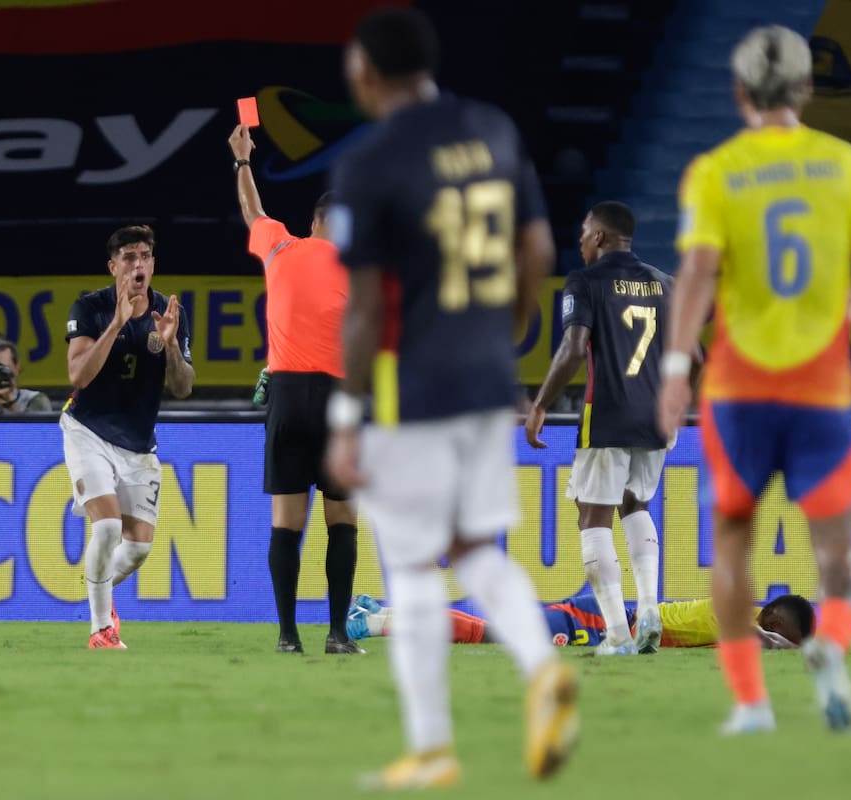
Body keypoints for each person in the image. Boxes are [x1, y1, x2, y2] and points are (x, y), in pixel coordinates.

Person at [324, 8, 578, 788]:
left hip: (413, 386)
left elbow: (364, 310)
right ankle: (541, 667)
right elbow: (537, 248)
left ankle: (432, 748)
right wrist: (504, 334)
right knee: (472, 549)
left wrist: (344, 417)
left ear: (367, 71)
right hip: (483, 379)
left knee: (409, 567)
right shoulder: (495, 130)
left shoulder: (369, 163)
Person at [660, 25, 851, 735]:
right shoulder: (847, 164)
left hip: (740, 386)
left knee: (732, 541)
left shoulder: (715, 169)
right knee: (838, 549)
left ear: (737, 93)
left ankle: (752, 703)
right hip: (821, 386)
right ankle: (829, 645)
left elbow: (698, 274)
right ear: (806, 88)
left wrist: (675, 369)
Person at [227, 123, 362, 656]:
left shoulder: (281, 246)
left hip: (285, 396)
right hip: (339, 399)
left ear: (313, 223)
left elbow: (252, 212)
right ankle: (336, 635)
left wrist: (242, 161)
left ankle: (287, 635)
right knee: (342, 518)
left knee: (287, 522)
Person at [524, 201, 674, 656]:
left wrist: (540, 404)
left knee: (593, 517)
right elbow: (698, 358)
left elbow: (572, 349)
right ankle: (649, 609)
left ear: (602, 238)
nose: (581, 240)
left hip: (609, 413)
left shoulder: (585, 281)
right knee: (636, 505)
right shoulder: (666, 284)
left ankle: (618, 634)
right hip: (656, 416)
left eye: (585, 232)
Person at [62, 224, 194, 649]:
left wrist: (171, 346)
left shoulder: (168, 312)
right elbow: (77, 375)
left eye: (145, 256)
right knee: (106, 530)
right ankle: (101, 628)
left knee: (137, 550)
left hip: (138, 444)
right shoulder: (91, 308)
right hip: (88, 432)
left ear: (153, 263)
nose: (139, 264)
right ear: (113, 266)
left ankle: (96, 591)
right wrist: (116, 325)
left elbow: (183, 387)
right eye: (129, 257)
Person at [346, 592, 814, 650]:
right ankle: (373, 623)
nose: (779, 643)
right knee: (486, 634)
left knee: (489, 631)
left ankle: (379, 611)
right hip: (594, 620)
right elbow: (752, 639)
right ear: (770, 615)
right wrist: (786, 645)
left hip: (602, 619)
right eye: (781, 631)